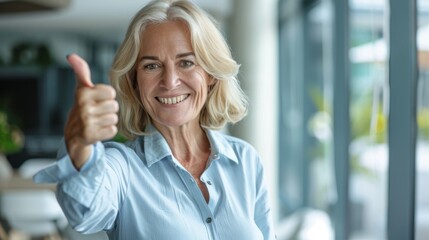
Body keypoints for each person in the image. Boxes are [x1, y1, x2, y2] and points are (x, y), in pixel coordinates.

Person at [34, 0, 276, 239]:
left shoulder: (245, 161)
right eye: (151, 66)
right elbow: (84, 212)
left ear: (210, 74)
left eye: (186, 62)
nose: (170, 81)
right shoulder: (122, 167)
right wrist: (79, 145)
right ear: (135, 82)